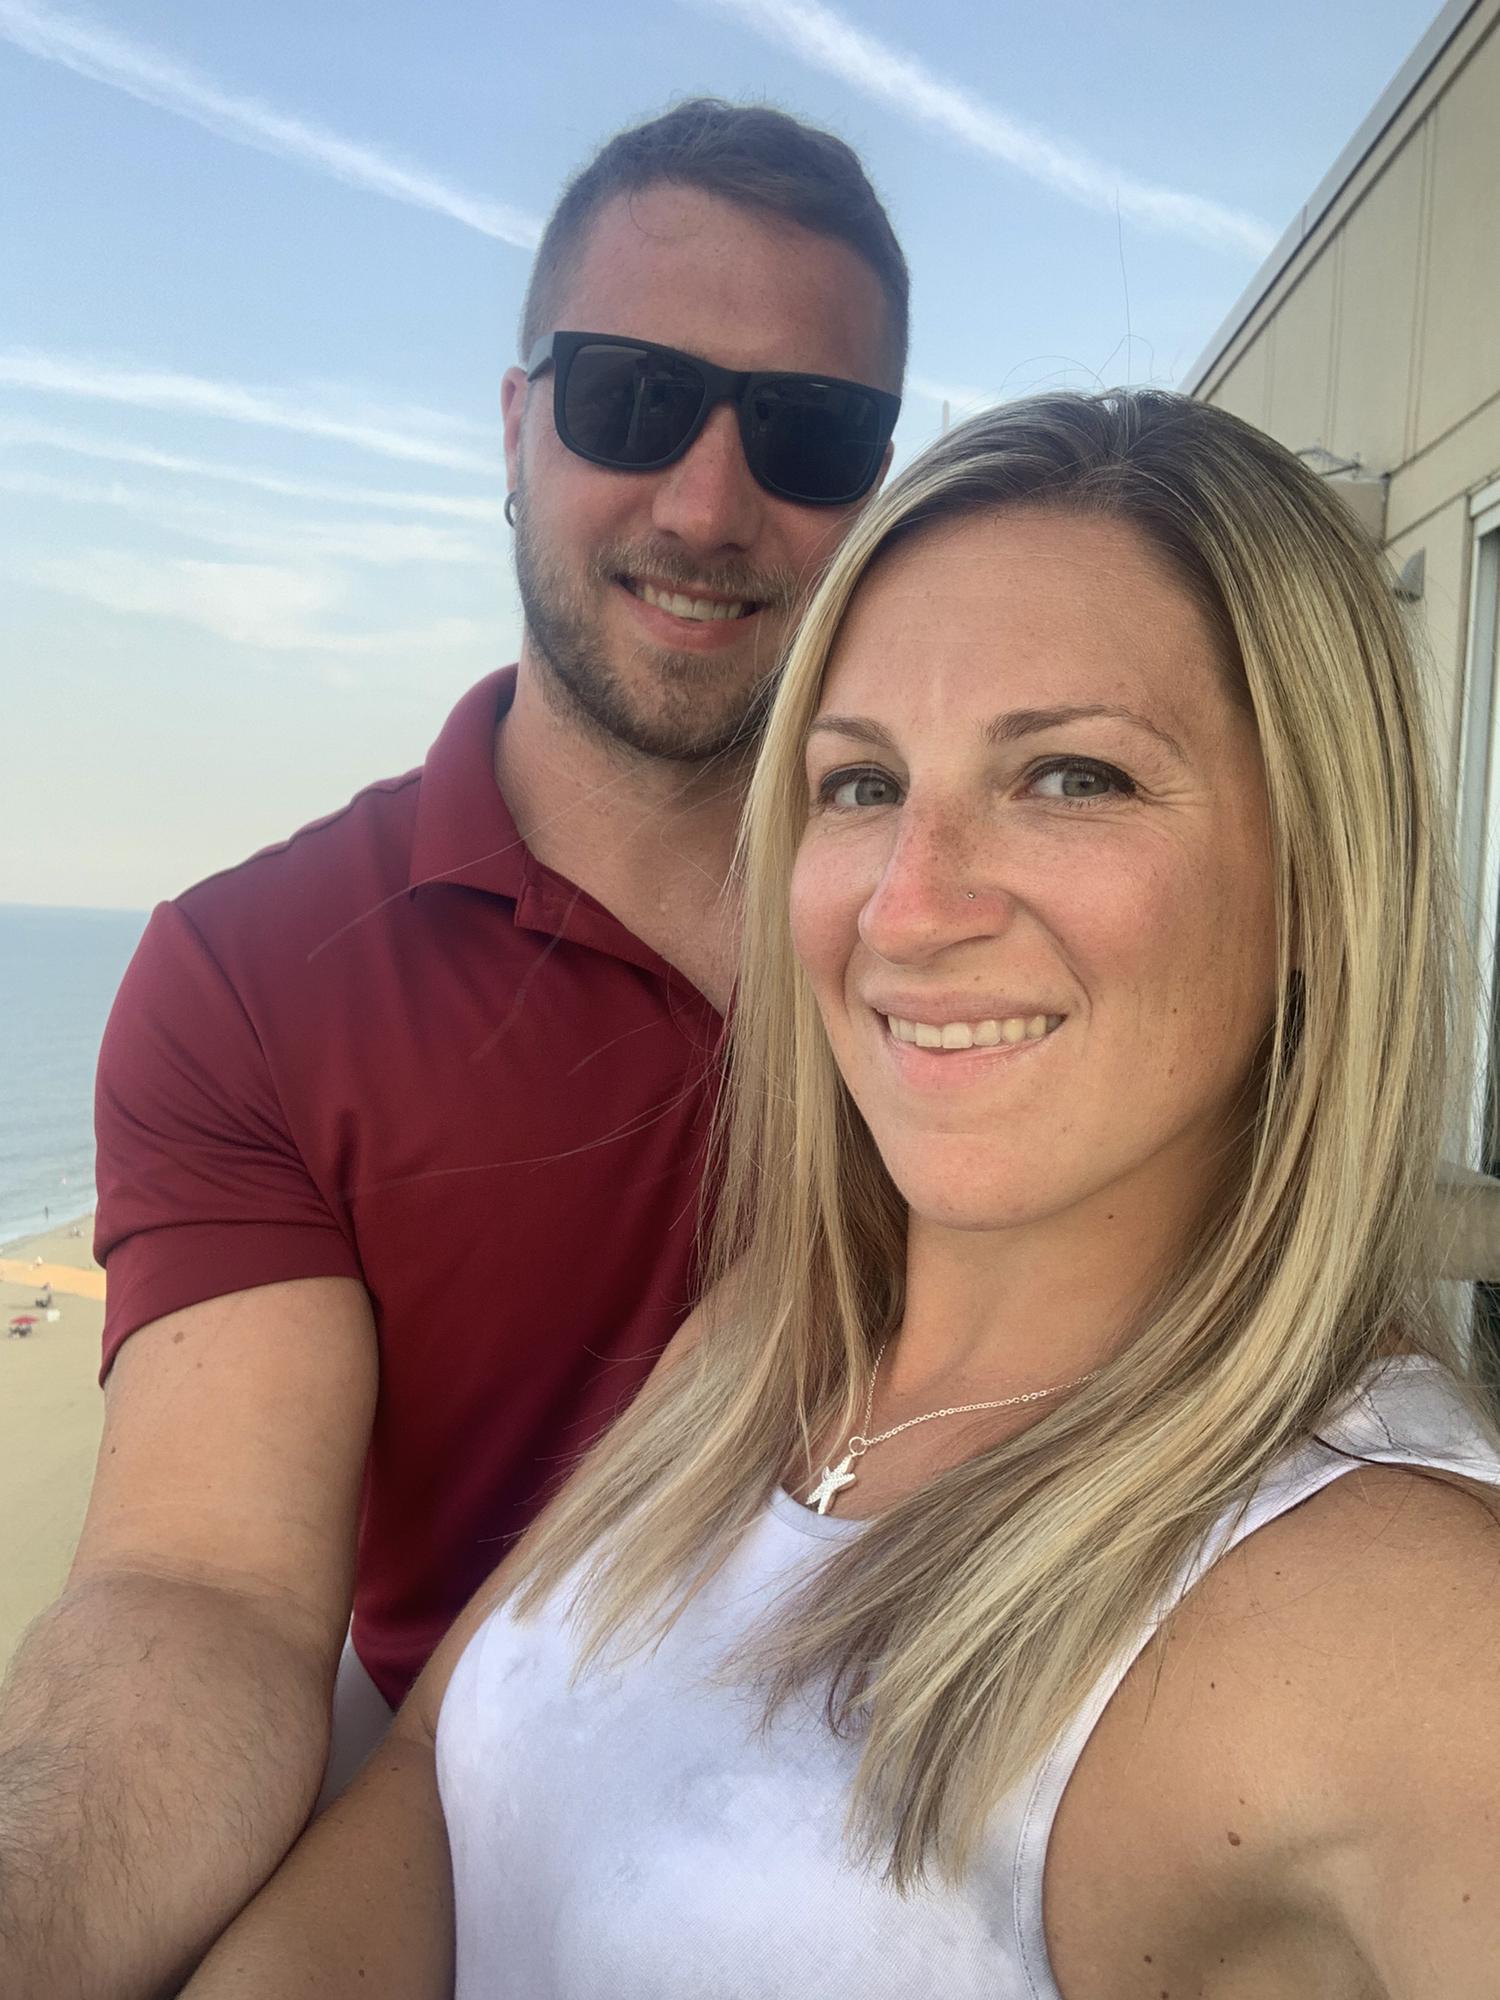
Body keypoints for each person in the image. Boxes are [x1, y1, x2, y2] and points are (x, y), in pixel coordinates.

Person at [184, 389, 1500, 1995]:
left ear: (1319, 884)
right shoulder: (762, 1346)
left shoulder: (1404, 1607)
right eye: (862, 785)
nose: (909, 908)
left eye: (1072, 777)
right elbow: (429, 1782)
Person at [0, 100, 906, 2000]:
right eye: (632, 398)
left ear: (878, 492)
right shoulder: (254, 977)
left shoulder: (978, 941)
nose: (708, 504)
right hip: (466, 1857)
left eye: (807, 433)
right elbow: (203, 1588)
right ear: (516, 430)